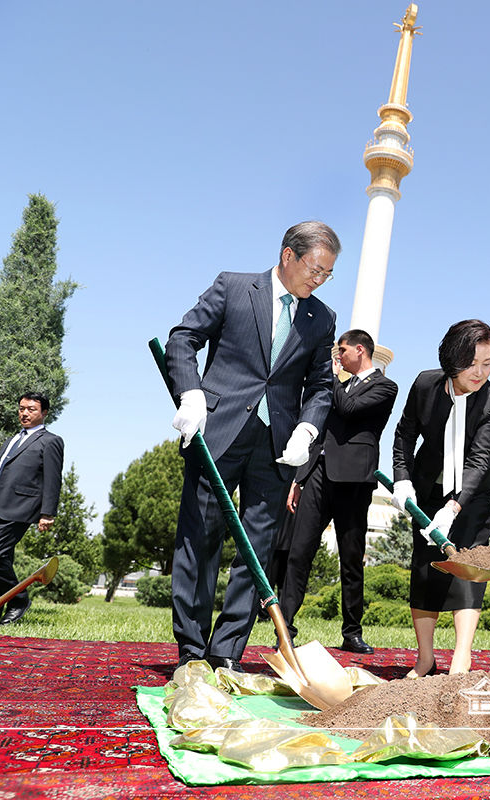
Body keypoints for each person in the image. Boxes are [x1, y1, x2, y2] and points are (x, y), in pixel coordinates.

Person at [164, 221, 339, 672]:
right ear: (288, 256)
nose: (318, 280)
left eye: (327, 275)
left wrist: (307, 430)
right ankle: (191, 649)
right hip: (217, 431)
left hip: (277, 445)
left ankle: (226, 652)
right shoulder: (233, 286)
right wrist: (191, 391)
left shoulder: (322, 318)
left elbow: (321, 386)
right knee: (199, 539)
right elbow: (183, 338)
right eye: (315, 269)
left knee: (256, 549)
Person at [391, 319, 490, 676]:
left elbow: (480, 460)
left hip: (476, 494)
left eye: (487, 363)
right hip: (427, 488)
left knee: (468, 569)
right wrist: (402, 480)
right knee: (425, 567)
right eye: (472, 363)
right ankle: (425, 658)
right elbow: (405, 434)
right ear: (452, 357)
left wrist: (454, 507)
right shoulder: (426, 384)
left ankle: (461, 658)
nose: (479, 372)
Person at [277, 329, 397, 654]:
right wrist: (298, 479)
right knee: (299, 553)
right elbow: (319, 436)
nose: (338, 357)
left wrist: (330, 376)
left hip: (354, 481)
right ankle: (284, 628)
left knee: (351, 559)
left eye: (342, 351)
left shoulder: (385, 387)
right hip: (317, 475)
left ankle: (352, 632)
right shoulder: (339, 385)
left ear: (360, 350)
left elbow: (347, 409)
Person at [0, 392, 63, 625]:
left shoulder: (50, 441)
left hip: (20, 507)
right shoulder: (12, 439)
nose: (25, 413)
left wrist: (47, 513)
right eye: (21, 408)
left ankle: (19, 599)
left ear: (44, 413)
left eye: (31, 409)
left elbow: (53, 479)